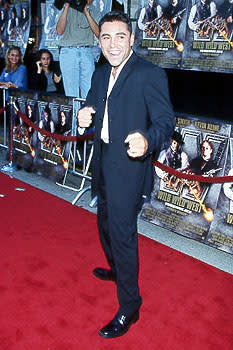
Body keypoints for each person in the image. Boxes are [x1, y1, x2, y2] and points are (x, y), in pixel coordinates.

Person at [77, 11, 175, 338]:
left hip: (129, 168)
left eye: (120, 36)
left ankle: (130, 307)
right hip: (103, 160)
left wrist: (147, 139)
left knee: (122, 234)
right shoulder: (100, 73)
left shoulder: (150, 74)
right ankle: (117, 269)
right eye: (106, 37)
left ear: (132, 38)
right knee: (103, 222)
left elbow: (165, 123)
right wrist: (86, 112)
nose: (113, 43)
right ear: (99, 41)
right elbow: (94, 101)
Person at [56, 0, 100, 98]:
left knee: (89, 90)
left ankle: (86, 113)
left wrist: (86, 12)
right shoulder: (67, 7)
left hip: (86, 51)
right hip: (68, 50)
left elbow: (98, 33)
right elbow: (59, 31)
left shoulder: (94, 10)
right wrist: (67, 7)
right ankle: (74, 113)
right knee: (71, 91)